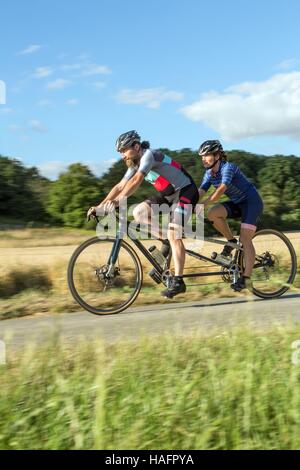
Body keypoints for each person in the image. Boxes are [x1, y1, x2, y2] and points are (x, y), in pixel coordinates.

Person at [88, 131, 199, 298]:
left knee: (174, 233)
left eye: (124, 150)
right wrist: (100, 206)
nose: (122, 155)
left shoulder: (149, 155)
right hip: (169, 196)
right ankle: (166, 241)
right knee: (139, 212)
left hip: (186, 191)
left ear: (136, 146)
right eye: (120, 152)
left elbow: (136, 181)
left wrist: (117, 202)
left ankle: (179, 281)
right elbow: (120, 186)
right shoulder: (134, 164)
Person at [197, 140, 263, 291]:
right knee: (213, 213)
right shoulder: (208, 173)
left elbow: (221, 189)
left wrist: (203, 204)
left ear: (217, 155)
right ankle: (231, 241)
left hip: (252, 203)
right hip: (238, 203)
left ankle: (246, 278)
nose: (204, 159)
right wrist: (187, 205)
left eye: (207, 155)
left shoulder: (229, 168)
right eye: (202, 156)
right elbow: (201, 191)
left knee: (246, 239)